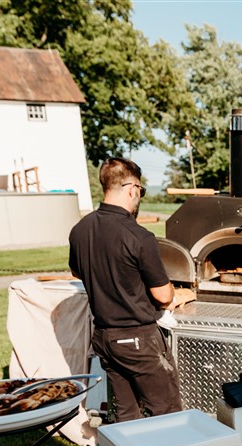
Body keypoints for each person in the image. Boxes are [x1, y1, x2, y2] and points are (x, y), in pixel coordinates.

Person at [68, 157, 183, 422]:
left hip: (105, 340)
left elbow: (77, 271)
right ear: (131, 188)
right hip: (137, 339)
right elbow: (163, 296)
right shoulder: (138, 236)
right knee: (166, 414)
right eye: (140, 191)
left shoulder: (80, 230)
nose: (139, 197)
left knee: (126, 415)